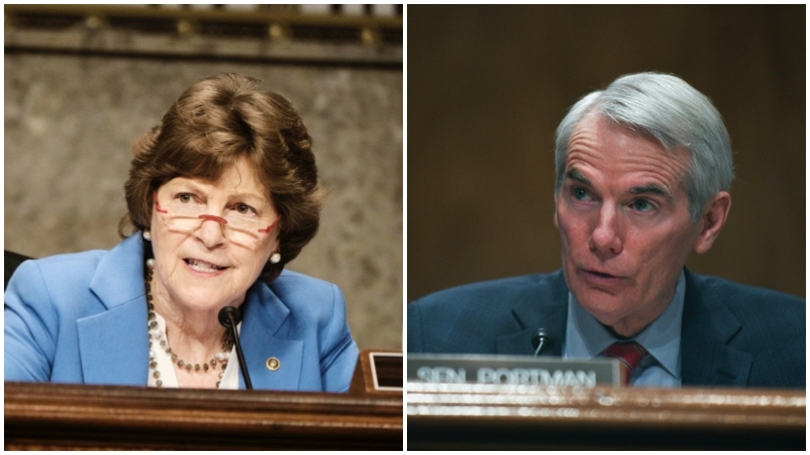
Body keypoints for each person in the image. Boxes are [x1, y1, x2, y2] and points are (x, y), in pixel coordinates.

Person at [408, 72, 805, 388]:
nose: (601, 237)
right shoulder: (436, 335)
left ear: (709, 222)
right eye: (582, 194)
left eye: (642, 205)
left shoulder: (794, 349)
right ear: (556, 199)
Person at [5, 73, 359, 391]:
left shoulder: (315, 317)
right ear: (150, 203)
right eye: (188, 198)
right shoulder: (51, 299)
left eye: (242, 209)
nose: (209, 236)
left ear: (280, 234)